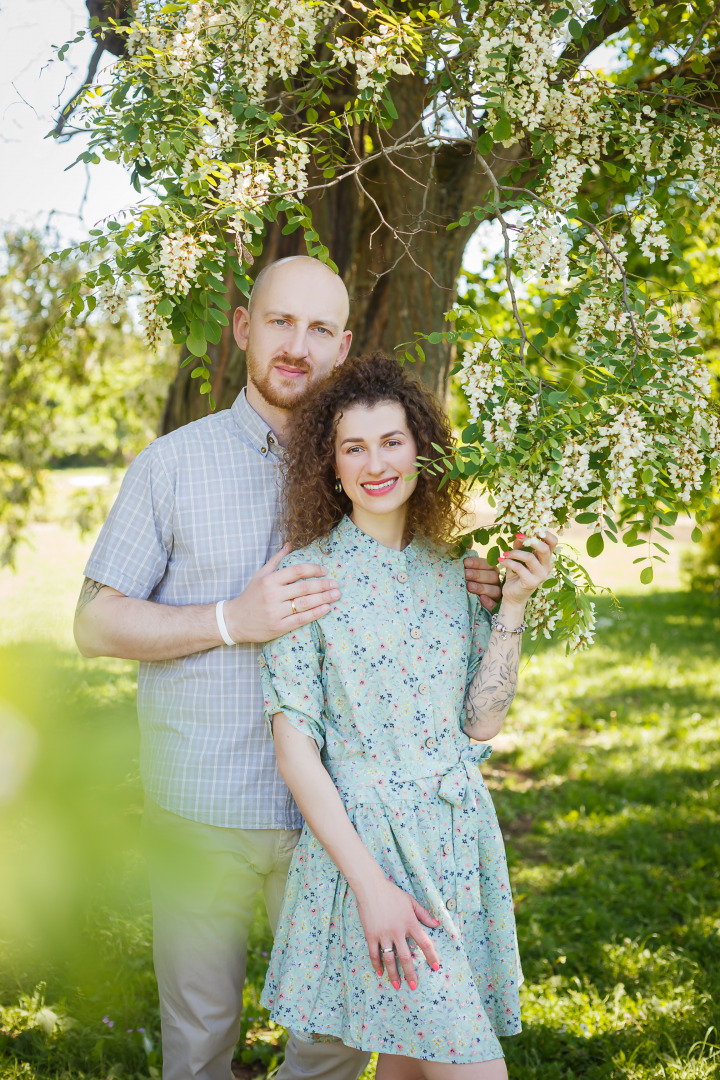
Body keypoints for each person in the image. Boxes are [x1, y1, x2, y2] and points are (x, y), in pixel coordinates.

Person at [72, 255, 503, 1080]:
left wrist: (472, 579)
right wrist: (232, 620)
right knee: (199, 1040)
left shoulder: (365, 469)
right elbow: (93, 623)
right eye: (278, 322)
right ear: (243, 329)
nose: (295, 346)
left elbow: (417, 584)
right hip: (205, 806)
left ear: (342, 348)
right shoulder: (172, 467)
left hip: (343, 822)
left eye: (317, 329)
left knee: (335, 1048)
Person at [259, 353, 556, 1080]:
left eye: (391, 441)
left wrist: (512, 606)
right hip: (369, 853)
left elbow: (482, 725)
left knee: (407, 1065)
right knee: (470, 1067)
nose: (375, 463)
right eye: (353, 447)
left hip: (455, 841)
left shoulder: (455, 566)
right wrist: (372, 889)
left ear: (422, 448)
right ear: (330, 465)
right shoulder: (305, 578)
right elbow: (296, 754)